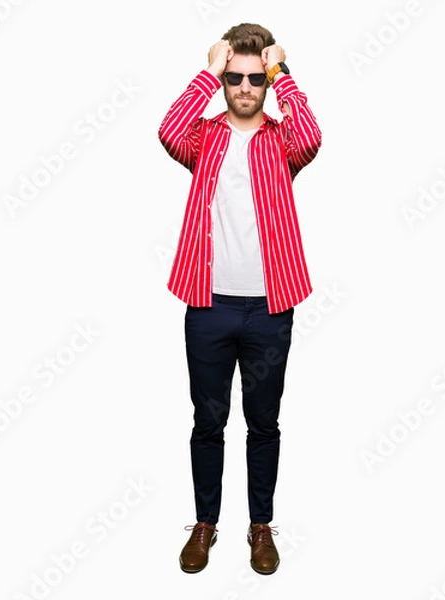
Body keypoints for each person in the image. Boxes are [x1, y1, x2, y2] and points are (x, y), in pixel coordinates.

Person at [158, 22, 322, 575]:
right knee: (208, 421)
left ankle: (260, 526)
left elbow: (313, 135)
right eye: (236, 76)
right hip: (208, 306)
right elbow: (167, 128)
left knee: (264, 423)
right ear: (225, 78)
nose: (246, 86)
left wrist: (284, 70)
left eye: (256, 77)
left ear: (267, 81)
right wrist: (207, 69)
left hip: (270, 308)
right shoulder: (203, 140)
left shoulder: (282, 143)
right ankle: (205, 524)